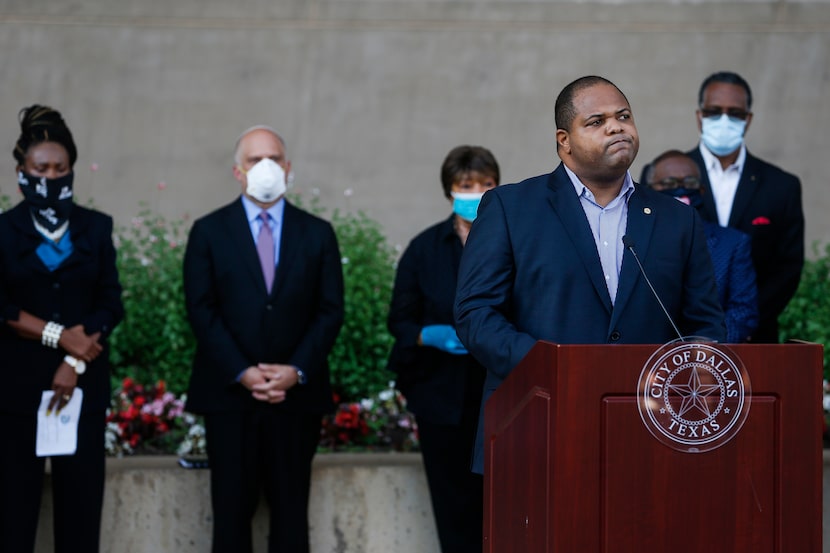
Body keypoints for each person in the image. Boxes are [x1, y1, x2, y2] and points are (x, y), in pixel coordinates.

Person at [453, 76, 726, 474]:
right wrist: (550, 367)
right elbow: (475, 315)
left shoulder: (677, 220)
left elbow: (704, 323)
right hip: (536, 424)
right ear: (564, 140)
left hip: (650, 432)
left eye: (624, 116)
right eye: (596, 121)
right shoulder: (512, 208)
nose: (616, 127)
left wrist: (689, 389)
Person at [183, 126, 344, 553]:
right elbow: (201, 309)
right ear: (238, 171)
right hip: (230, 399)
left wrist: (296, 369)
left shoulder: (318, 233)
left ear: (288, 169)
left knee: (291, 517)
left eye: (273, 158)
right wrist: (242, 370)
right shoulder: (208, 232)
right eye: (255, 160)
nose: (265, 167)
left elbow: (330, 311)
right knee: (231, 517)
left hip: (296, 401)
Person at [0, 105, 124, 552]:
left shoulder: (95, 227)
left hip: (81, 393)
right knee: (13, 519)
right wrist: (58, 335)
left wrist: (73, 359)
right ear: (22, 173)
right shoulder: (4, 232)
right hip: (14, 396)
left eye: (60, 168)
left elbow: (110, 303)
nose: (51, 176)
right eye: (40, 168)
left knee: (80, 518)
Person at [387, 145, 497, 553]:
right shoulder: (424, 249)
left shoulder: (514, 241)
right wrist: (429, 335)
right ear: (449, 190)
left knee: (501, 502)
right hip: (441, 397)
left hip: (500, 394)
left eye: (486, 184)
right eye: (466, 185)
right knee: (453, 505)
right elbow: (399, 320)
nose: (477, 193)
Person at [687, 71, 804, 343]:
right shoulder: (667, 178)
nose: (724, 120)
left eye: (735, 113)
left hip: (757, 339)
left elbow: (787, 269)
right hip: (682, 340)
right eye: (714, 111)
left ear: (748, 119)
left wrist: (741, 324)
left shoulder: (781, 186)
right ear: (699, 116)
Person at [646, 150, 759, 343]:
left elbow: (742, 312)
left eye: (690, 183)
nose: (680, 189)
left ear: (702, 190)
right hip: (645, 359)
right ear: (649, 190)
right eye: (669, 183)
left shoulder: (733, 243)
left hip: (708, 362)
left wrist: (706, 350)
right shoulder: (630, 238)